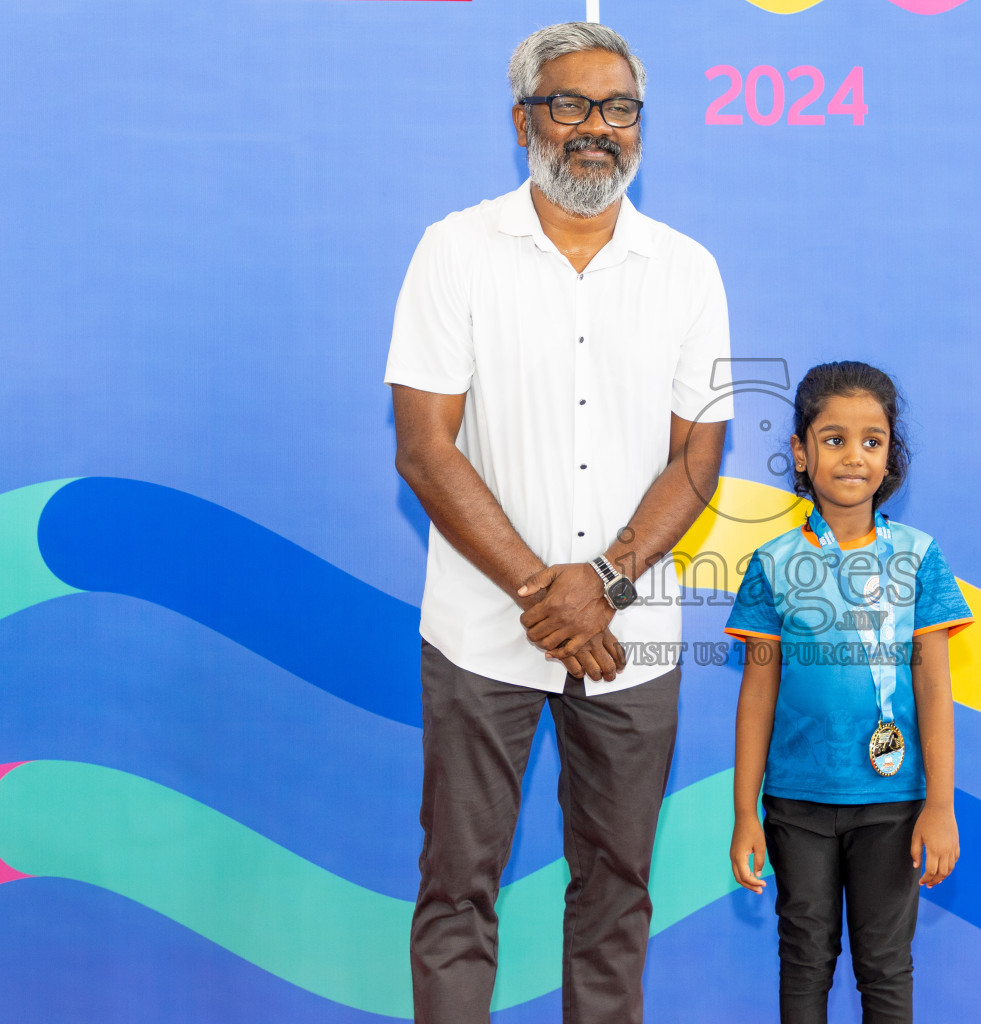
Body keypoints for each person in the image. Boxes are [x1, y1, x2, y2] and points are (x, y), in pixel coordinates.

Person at [384, 21, 733, 1024]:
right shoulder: (455, 251)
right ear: (523, 120)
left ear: (640, 127)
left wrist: (604, 587)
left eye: (618, 109)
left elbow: (697, 457)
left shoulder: (688, 270)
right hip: (481, 637)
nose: (596, 129)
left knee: (617, 894)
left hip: (635, 640)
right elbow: (424, 446)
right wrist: (550, 592)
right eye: (570, 105)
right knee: (457, 891)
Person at [725, 361, 973, 1024]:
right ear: (800, 453)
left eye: (873, 440)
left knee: (885, 964)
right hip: (796, 804)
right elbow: (756, 692)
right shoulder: (773, 562)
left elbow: (934, 686)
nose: (854, 457)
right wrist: (746, 811)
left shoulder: (919, 556)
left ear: (892, 455)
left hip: (893, 802)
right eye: (833, 439)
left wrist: (940, 806)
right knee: (804, 957)